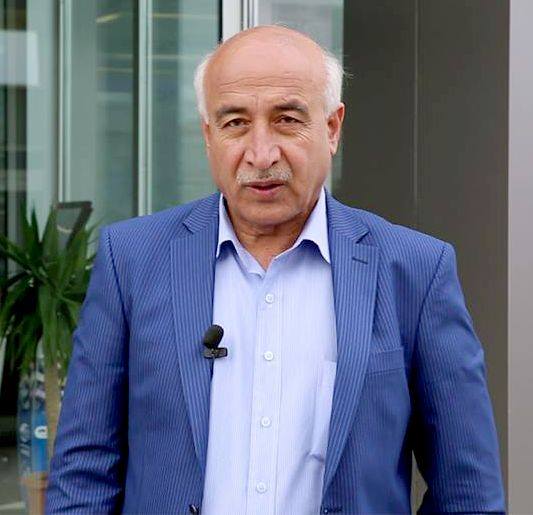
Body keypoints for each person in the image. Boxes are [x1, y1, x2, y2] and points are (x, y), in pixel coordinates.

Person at [46, 26, 505, 514]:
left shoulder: (414, 271)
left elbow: (468, 492)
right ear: (208, 136)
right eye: (235, 123)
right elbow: (84, 474)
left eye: (287, 120)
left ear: (332, 127)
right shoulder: (132, 260)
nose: (261, 154)